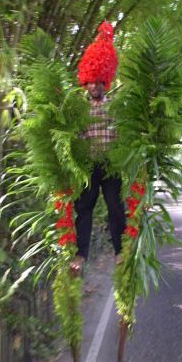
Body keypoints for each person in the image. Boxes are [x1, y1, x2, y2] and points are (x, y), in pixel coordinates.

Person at [69, 22, 126, 276]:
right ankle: (81, 254)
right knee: (84, 208)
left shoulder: (114, 106)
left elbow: (122, 134)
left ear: (106, 81)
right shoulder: (79, 108)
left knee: (115, 207)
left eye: (98, 82)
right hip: (90, 166)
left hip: (111, 164)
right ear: (85, 80)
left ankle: (120, 251)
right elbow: (75, 137)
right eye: (90, 81)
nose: (94, 86)